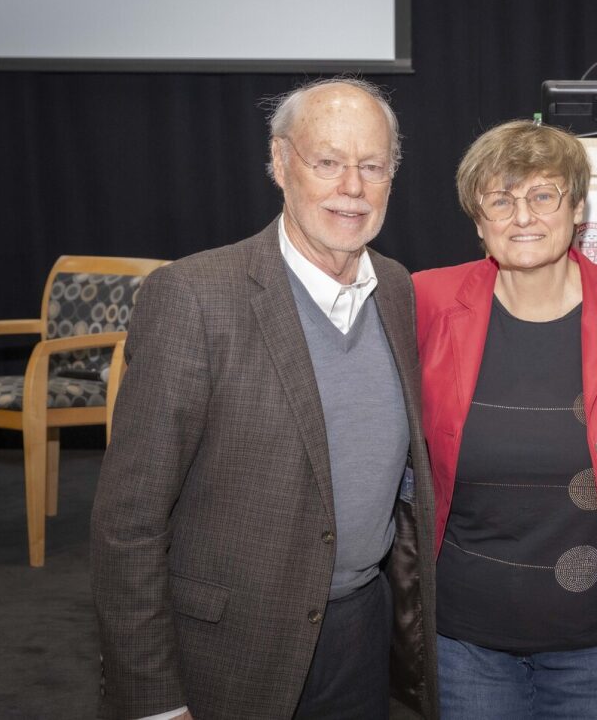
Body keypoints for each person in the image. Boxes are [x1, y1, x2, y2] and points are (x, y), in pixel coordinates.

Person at [90, 78, 437, 720]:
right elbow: (128, 521)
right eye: (327, 162)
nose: (352, 188)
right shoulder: (193, 296)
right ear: (280, 163)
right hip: (229, 651)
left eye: (373, 166)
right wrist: (155, 702)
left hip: (362, 635)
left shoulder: (396, 289)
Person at [412, 120, 597, 718]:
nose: (522, 216)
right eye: (500, 200)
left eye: (542, 194)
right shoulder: (425, 302)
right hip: (465, 643)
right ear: (478, 221)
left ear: (578, 207)